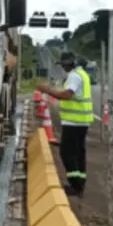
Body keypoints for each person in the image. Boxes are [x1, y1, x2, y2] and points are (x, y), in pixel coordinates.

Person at [36, 51, 93, 197]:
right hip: (82, 121)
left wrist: (46, 90)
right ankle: (80, 182)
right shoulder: (82, 74)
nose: (63, 68)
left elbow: (67, 95)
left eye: (63, 65)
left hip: (74, 121)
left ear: (69, 64)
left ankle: (75, 185)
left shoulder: (74, 76)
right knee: (79, 152)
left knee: (68, 153)